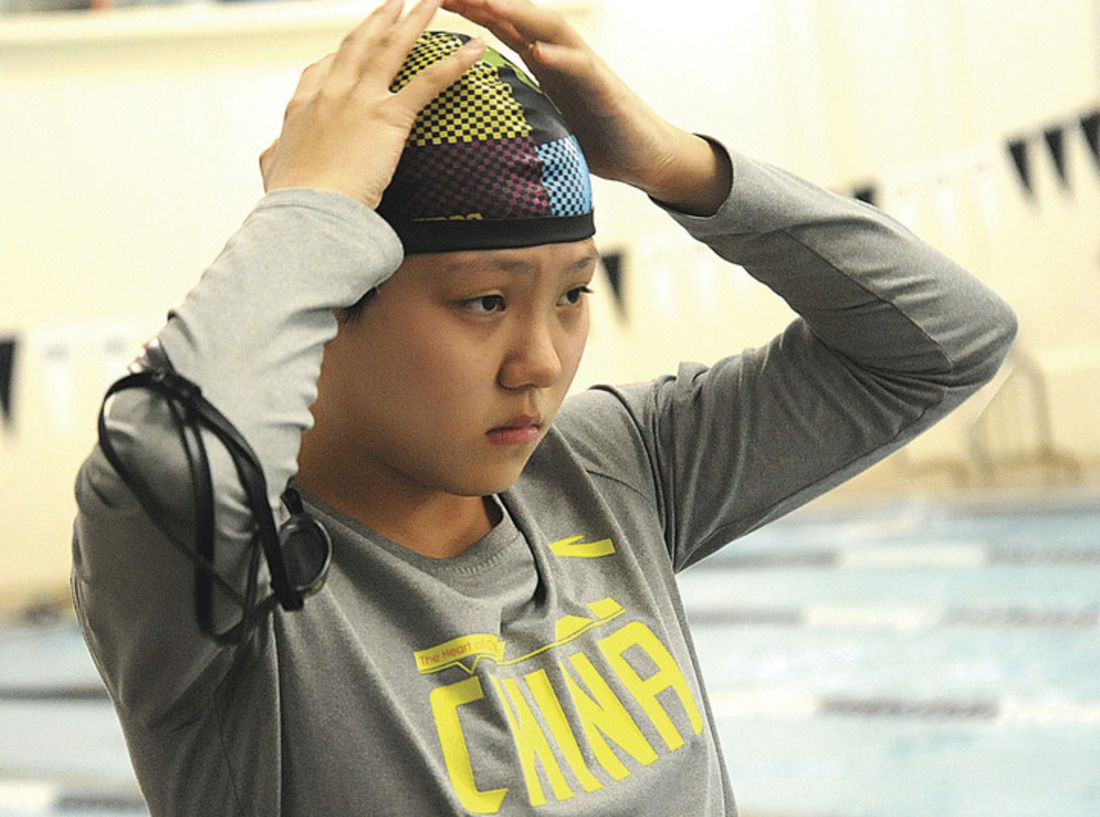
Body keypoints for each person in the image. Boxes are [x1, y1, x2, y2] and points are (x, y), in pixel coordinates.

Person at [71, 0, 1017, 814]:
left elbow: (942, 344)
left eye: (573, 294)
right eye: (484, 301)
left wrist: (679, 165)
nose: (540, 361)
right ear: (331, 300)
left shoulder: (609, 468)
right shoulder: (222, 582)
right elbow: (168, 453)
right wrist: (313, 206)